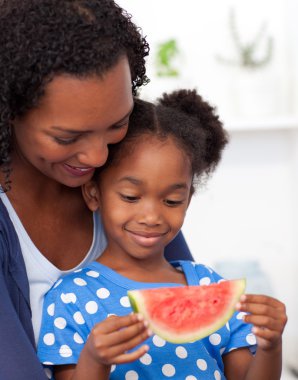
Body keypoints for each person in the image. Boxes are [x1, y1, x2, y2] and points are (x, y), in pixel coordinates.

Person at [37, 89, 287, 380]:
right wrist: (94, 359)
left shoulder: (209, 285)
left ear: (188, 201)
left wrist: (271, 346)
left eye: (171, 201)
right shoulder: (70, 298)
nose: (152, 217)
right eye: (130, 197)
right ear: (94, 194)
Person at [0, 1, 192, 379]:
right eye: (67, 136)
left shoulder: (128, 186)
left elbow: (185, 320)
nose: (98, 155)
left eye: (116, 124)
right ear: (8, 110)